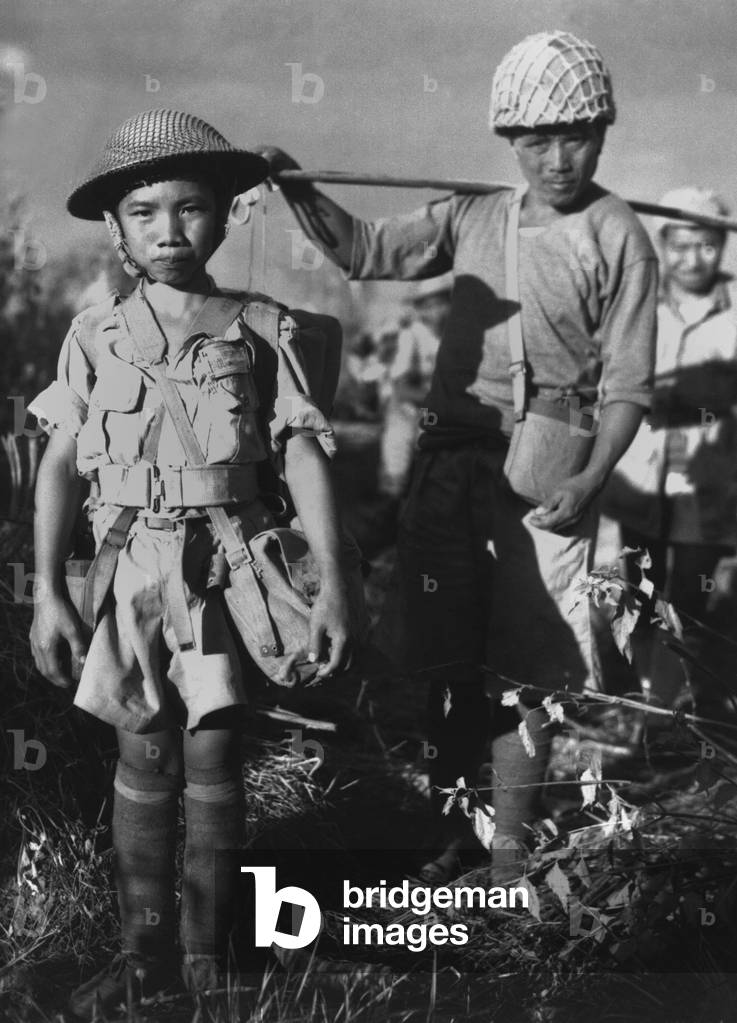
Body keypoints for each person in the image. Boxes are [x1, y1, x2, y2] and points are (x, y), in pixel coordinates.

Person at [257, 29, 657, 882]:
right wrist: (297, 186)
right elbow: (364, 253)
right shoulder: (474, 214)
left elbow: (626, 386)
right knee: (444, 662)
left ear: (604, 131)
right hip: (448, 464)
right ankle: (450, 828)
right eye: (537, 140)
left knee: (524, 669)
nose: (557, 158)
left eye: (577, 135)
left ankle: (508, 854)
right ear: (509, 141)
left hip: (549, 470)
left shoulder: (620, 237)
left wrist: (590, 478)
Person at [28, 108, 351, 1017]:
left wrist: (336, 582)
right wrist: (48, 590)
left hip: (225, 570)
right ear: (114, 227)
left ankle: (212, 963)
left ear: (228, 214)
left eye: (192, 208)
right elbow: (58, 464)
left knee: (212, 754)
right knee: (143, 754)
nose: (170, 230)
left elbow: (301, 454)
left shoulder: (262, 328)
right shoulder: (93, 337)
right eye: (144, 211)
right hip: (131, 571)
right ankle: (143, 961)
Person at [604, 187, 737, 710]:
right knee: (640, 587)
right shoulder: (639, 306)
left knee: (691, 597)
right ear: (663, 245)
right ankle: (632, 694)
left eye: (705, 245)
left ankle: (677, 703)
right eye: (680, 246)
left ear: (723, 246)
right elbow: (610, 382)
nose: (692, 259)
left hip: (709, 484)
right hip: (642, 478)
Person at [379, 274, 451, 498]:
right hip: (414, 406)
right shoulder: (412, 335)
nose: (436, 312)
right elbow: (401, 387)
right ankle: (393, 497)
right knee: (400, 447)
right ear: (420, 309)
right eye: (429, 306)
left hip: (443, 408)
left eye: (441, 304)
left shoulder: (457, 335)